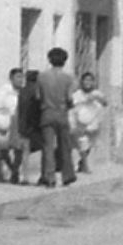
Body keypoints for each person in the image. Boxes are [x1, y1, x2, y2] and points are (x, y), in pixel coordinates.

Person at [34, 47, 78, 188]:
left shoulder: (42, 76)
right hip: (62, 113)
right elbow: (70, 98)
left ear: (50, 60)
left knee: (48, 147)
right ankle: (67, 176)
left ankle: (49, 177)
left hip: (46, 113)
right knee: (65, 146)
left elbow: (37, 96)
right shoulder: (68, 78)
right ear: (65, 61)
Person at [0, 68, 25, 183]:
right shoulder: (4, 92)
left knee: (18, 150)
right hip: (5, 123)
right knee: (2, 150)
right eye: (18, 77)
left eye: (22, 77)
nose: (21, 80)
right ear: (11, 78)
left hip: (17, 123)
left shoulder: (21, 92)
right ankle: (5, 171)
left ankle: (14, 171)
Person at [69, 71, 108, 175]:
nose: (88, 82)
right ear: (82, 82)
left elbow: (105, 103)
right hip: (80, 123)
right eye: (86, 80)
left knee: (88, 146)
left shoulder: (97, 93)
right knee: (82, 144)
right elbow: (73, 108)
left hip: (93, 123)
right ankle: (85, 166)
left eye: (90, 80)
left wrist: (97, 98)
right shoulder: (77, 94)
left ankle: (83, 163)